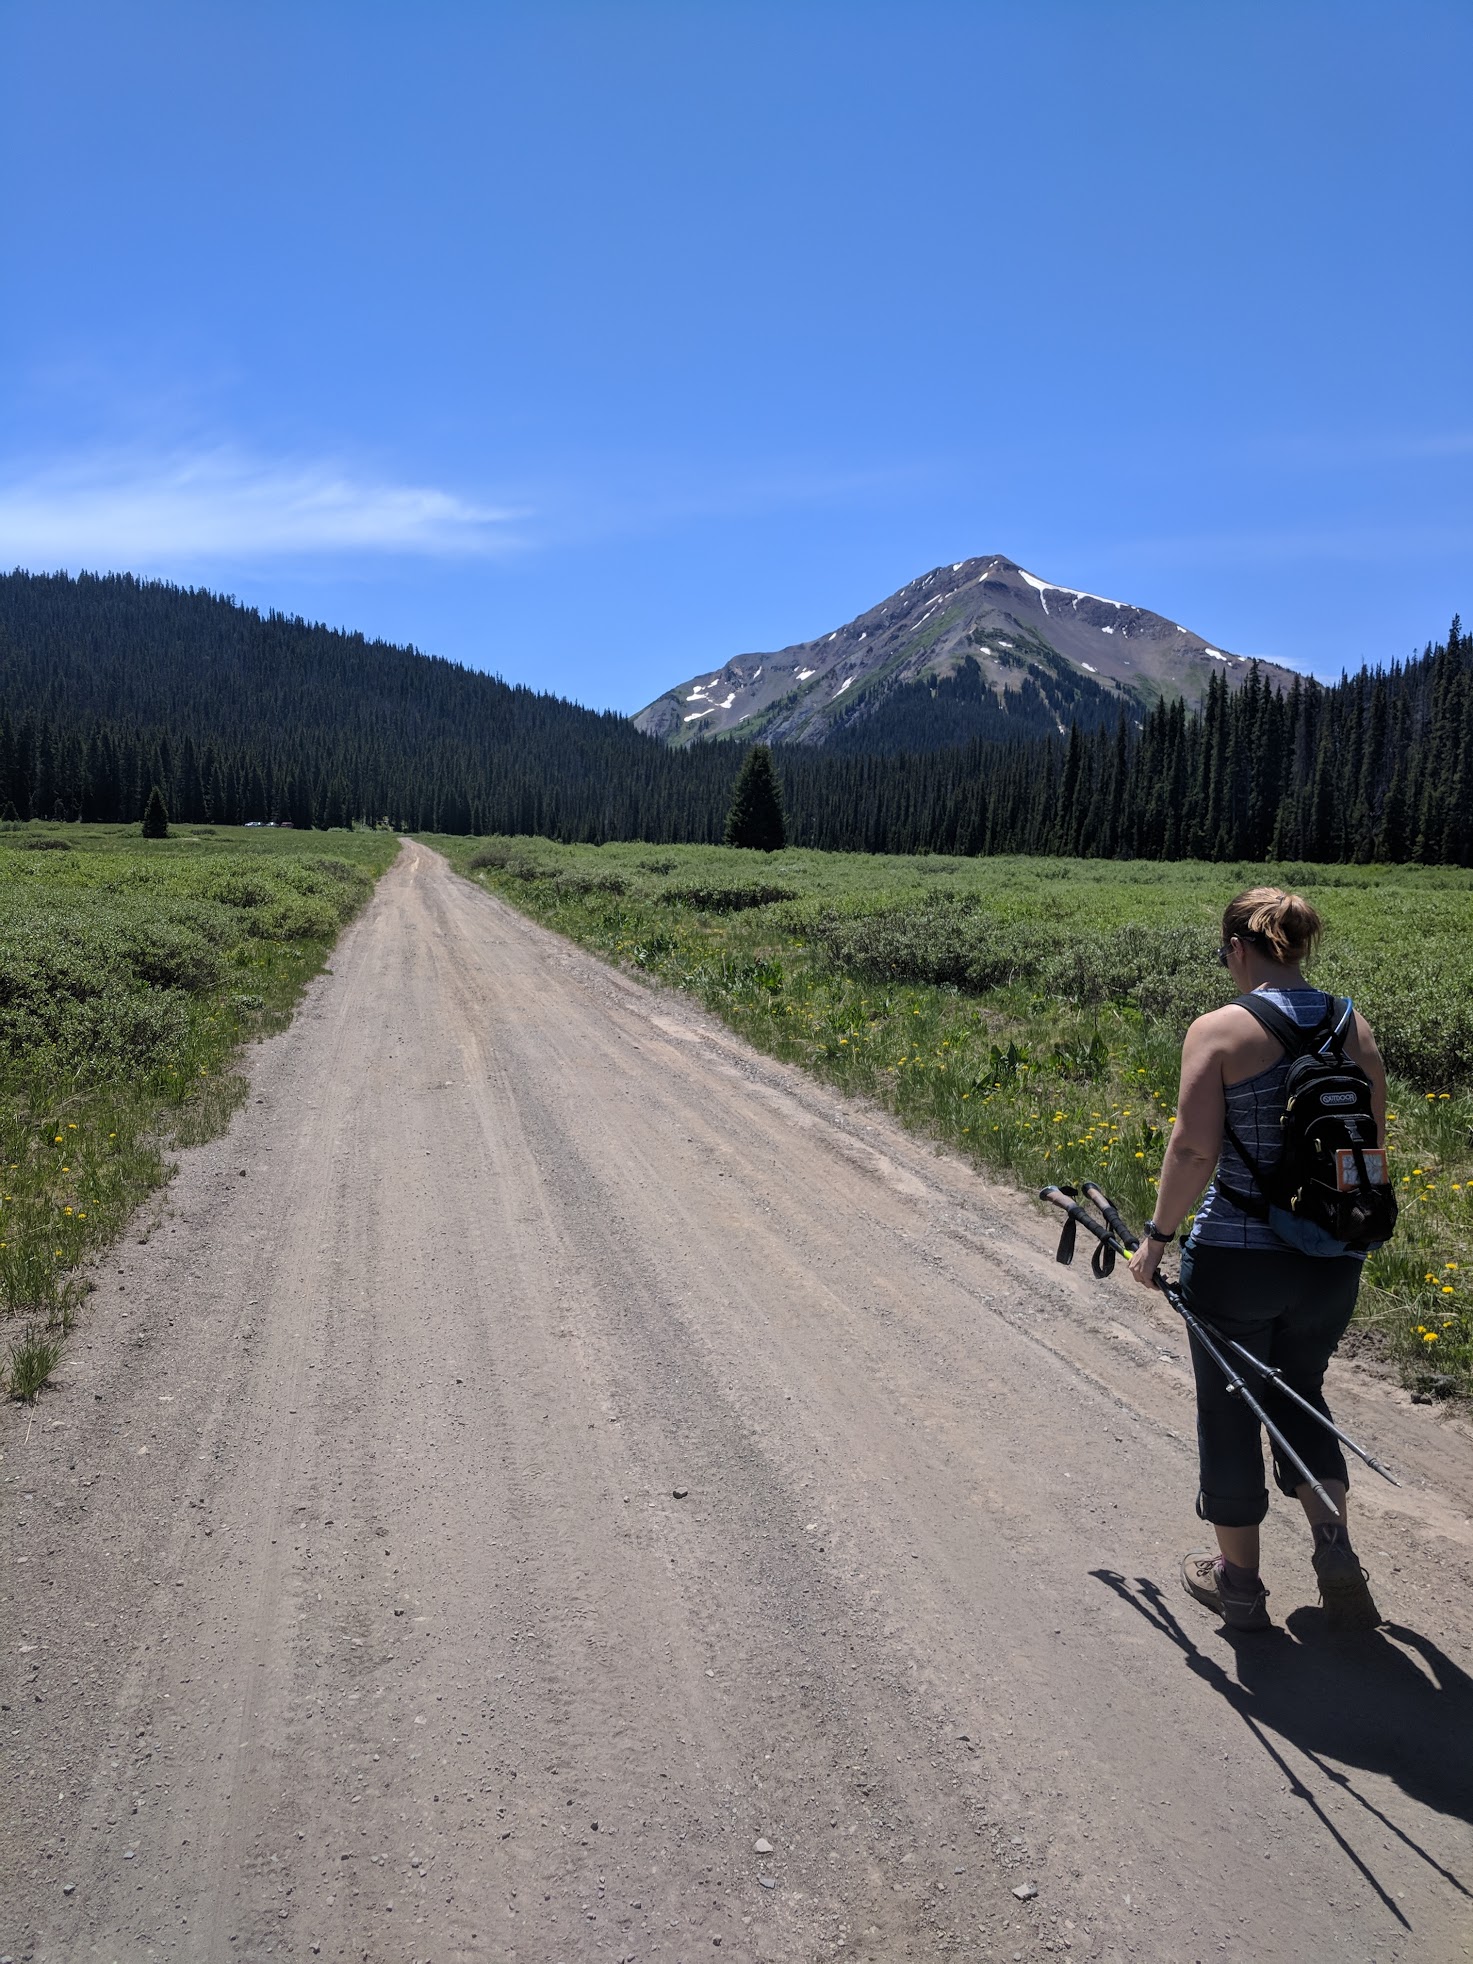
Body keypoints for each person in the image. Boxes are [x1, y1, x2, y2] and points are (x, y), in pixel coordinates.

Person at [1128, 887, 1386, 1632]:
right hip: (1334, 1255)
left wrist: (1156, 1239)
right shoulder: (1353, 1025)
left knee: (1230, 1410)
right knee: (1301, 1390)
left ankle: (1238, 1585)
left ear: (1237, 948)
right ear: (1299, 947)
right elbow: (1367, 1149)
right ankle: (1333, 1544)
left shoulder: (1219, 1030)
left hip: (1237, 1258)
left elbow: (1193, 1147)